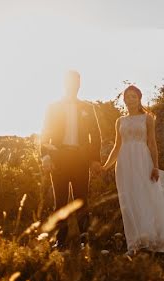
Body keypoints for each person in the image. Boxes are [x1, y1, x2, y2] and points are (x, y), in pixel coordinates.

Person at [100, 85, 164, 254]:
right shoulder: (120, 121)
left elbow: (152, 144)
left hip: (142, 161)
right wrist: (105, 167)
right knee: (129, 201)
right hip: (124, 164)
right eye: (127, 96)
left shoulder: (147, 118)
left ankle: (153, 239)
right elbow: (117, 147)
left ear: (139, 98)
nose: (130, 99)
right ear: (123, 99)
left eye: (133, 96)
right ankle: (135, 243)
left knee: (148, 196)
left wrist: (155, 166)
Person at [39, 70, 102, 249]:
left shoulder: (88, 108)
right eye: (69, 81)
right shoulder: (53, 107)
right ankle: (61, 240)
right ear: (64, 84)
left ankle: (84, 240)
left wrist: (95, 159)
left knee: (81, 200)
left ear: (79, 84)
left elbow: (95, 136)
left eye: (75, 81)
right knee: (60, 201)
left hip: (81, 159)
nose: (72, 84)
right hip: (59, 158)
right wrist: (45, 155)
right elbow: (45, 133)